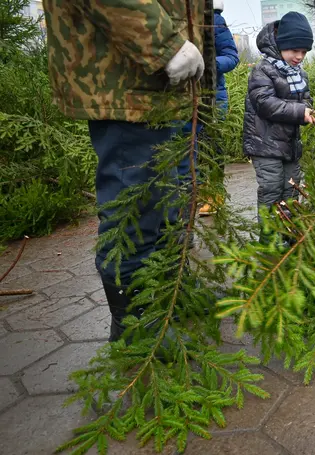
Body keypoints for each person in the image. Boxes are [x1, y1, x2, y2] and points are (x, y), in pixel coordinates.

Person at [42, 1, 214, 342]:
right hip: (126, 83)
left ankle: (166, 295)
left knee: (169, 200)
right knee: (135, 205)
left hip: (162, 87)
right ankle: (134, 321)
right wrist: (165, 44)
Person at [243, 11, 315, 241]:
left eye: (304, 52)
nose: (299, 56)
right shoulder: (263, 70)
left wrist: (306, 110)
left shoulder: (299, 74)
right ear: (280, 45)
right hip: (264, 145)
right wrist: (298, 111)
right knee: (271, 189)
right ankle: (269, 238)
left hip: (290, 145)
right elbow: (265, 104)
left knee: (291, 189)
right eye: (295, 50)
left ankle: (287, 233)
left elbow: (306, 98)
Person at [177, 0, 240, 217]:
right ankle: (187, 199)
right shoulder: (177, 17)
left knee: (211, 147)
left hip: (212, 96)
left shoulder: (214, 20)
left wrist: (206, 64)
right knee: (186, 147)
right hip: (181, 96)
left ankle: (213, 195)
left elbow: (232, 56)